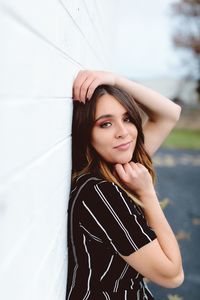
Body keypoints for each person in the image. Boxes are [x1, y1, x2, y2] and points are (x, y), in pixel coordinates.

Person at [66, 70, 184, 299]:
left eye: (127, 118)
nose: (123, 133)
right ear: (85, 133)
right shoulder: (99, 193)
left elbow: (170, 114)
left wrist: (115, 80)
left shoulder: (118, 169)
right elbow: (172, 276)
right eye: (106, 124)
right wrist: (148, 194)